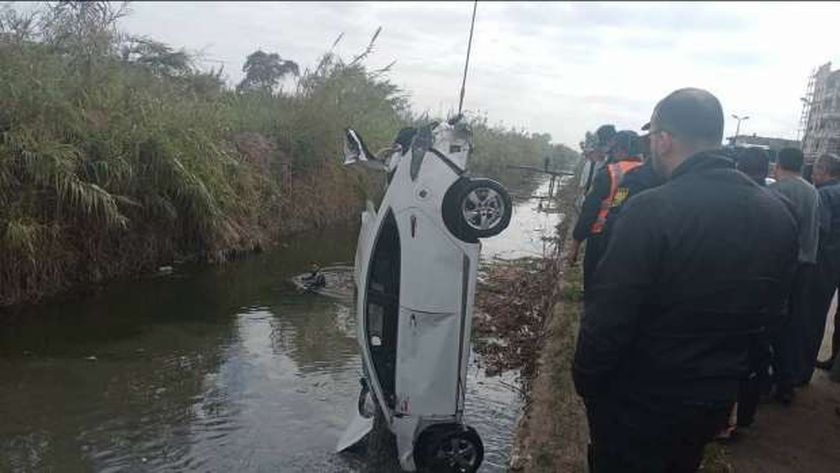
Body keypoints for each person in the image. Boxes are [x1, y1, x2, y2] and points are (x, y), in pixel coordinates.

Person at [573, 88, 798, 473]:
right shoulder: (779, 216)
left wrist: (589, 386)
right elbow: (771, 321)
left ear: (664, 140)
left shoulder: (650, 210)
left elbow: (607, 320)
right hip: (709, 403)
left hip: (637, 404)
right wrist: (735, 394)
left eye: (652, 137)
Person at [769, 147, 820, 400]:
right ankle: (787, 383)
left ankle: (773, 382)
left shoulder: (777, 191)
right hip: (806, 266)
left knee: (774, 324)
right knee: (794, 324)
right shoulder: (812, 191)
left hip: (783, 268)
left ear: (778, 164)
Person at [568, 129, 643, 292]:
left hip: (602, 237)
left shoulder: (610, 172)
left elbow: (590, 211)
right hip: (637, 242)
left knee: (594, 283)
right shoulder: (652, 173)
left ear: (620, 150)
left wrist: (575, 243)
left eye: (615, 150)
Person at [803, 153, 840, 381]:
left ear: (825, 171)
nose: (813, 173)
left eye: (815, 169)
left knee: (813, 315)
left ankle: (802, 370)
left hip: (825, 262)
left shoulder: (823, 195)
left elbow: (820, 232)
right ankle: (835, 363)